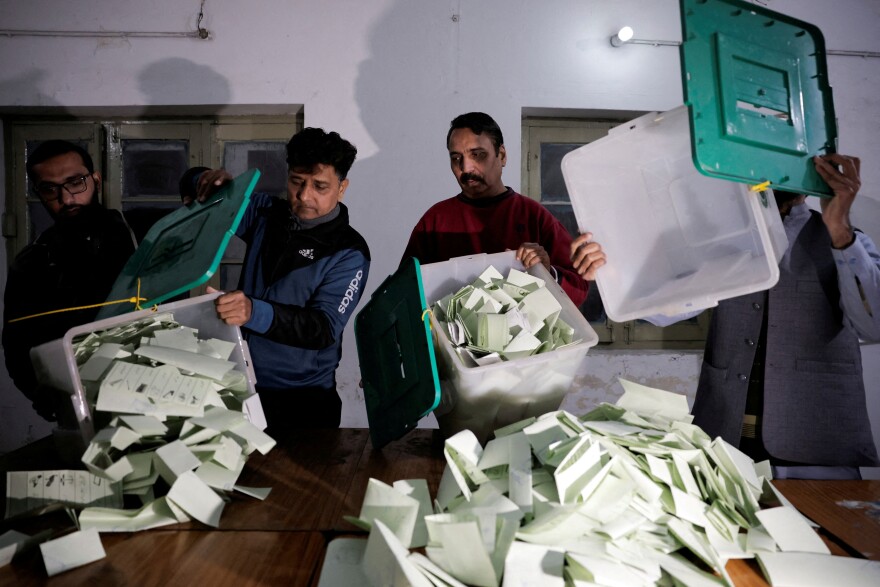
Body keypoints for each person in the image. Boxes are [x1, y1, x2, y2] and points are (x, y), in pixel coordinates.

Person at [571, 153, 880, 479]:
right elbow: (666, 310)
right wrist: (610, 271)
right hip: (725, 444)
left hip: (817, 448)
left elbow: (873, 324)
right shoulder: (723, 243)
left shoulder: (848, 241)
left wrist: (840, 231)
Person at [181, 128, 370, 435]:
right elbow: (207, 197)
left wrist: (252, 312)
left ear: (342, 188)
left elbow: (322, 328)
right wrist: (204, 178)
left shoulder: (349, 252)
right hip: (239, 386)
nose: (305, 196)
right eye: (297, 181)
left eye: (320, 186)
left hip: (304, 404)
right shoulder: (265, 213)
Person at [3, 140, 137, 421]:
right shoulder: (30, 263)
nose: (66, 198)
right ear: (38, 193)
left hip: (157, 391)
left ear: (96, 180)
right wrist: (42, 393)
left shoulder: (140, 235)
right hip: (79, 409)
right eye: (50, 189)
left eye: (75, 182)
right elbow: (16, 344)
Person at [402, 112, 589, 306]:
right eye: (456, 158)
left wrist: (546, 272)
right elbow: (404, 294)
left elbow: (579, 290)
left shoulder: (535, 216)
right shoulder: (434, 221)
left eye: (477, 154)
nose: (466, 168)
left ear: (502, 155)